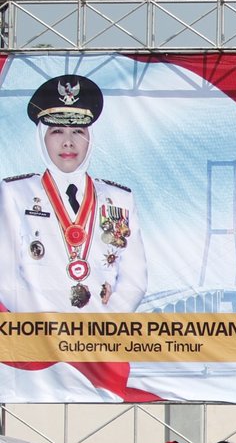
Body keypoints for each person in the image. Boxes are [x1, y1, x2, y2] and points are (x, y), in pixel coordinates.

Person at [0, 75, 146, 315]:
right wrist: (48, 325)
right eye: (56, 131)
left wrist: (103, 322)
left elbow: (135, 279)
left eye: (78, 131)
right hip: (40, 339)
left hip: (99, 340)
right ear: (41, 138)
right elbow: (5, 276)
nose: (68, 142)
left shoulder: (120, 199)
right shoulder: (15, 193)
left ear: (90, 138)